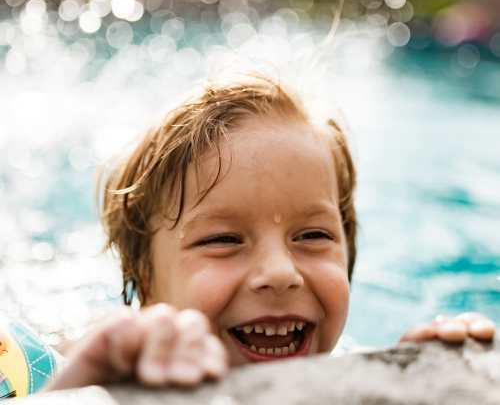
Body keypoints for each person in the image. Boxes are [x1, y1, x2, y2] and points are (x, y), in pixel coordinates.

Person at [2, 75, 495, 395]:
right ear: (144, 279)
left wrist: (416, 376)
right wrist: (85, 388)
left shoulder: (347, 369)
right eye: (223, 240)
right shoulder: (77, 371)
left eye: (313, 235)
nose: (281, 273)